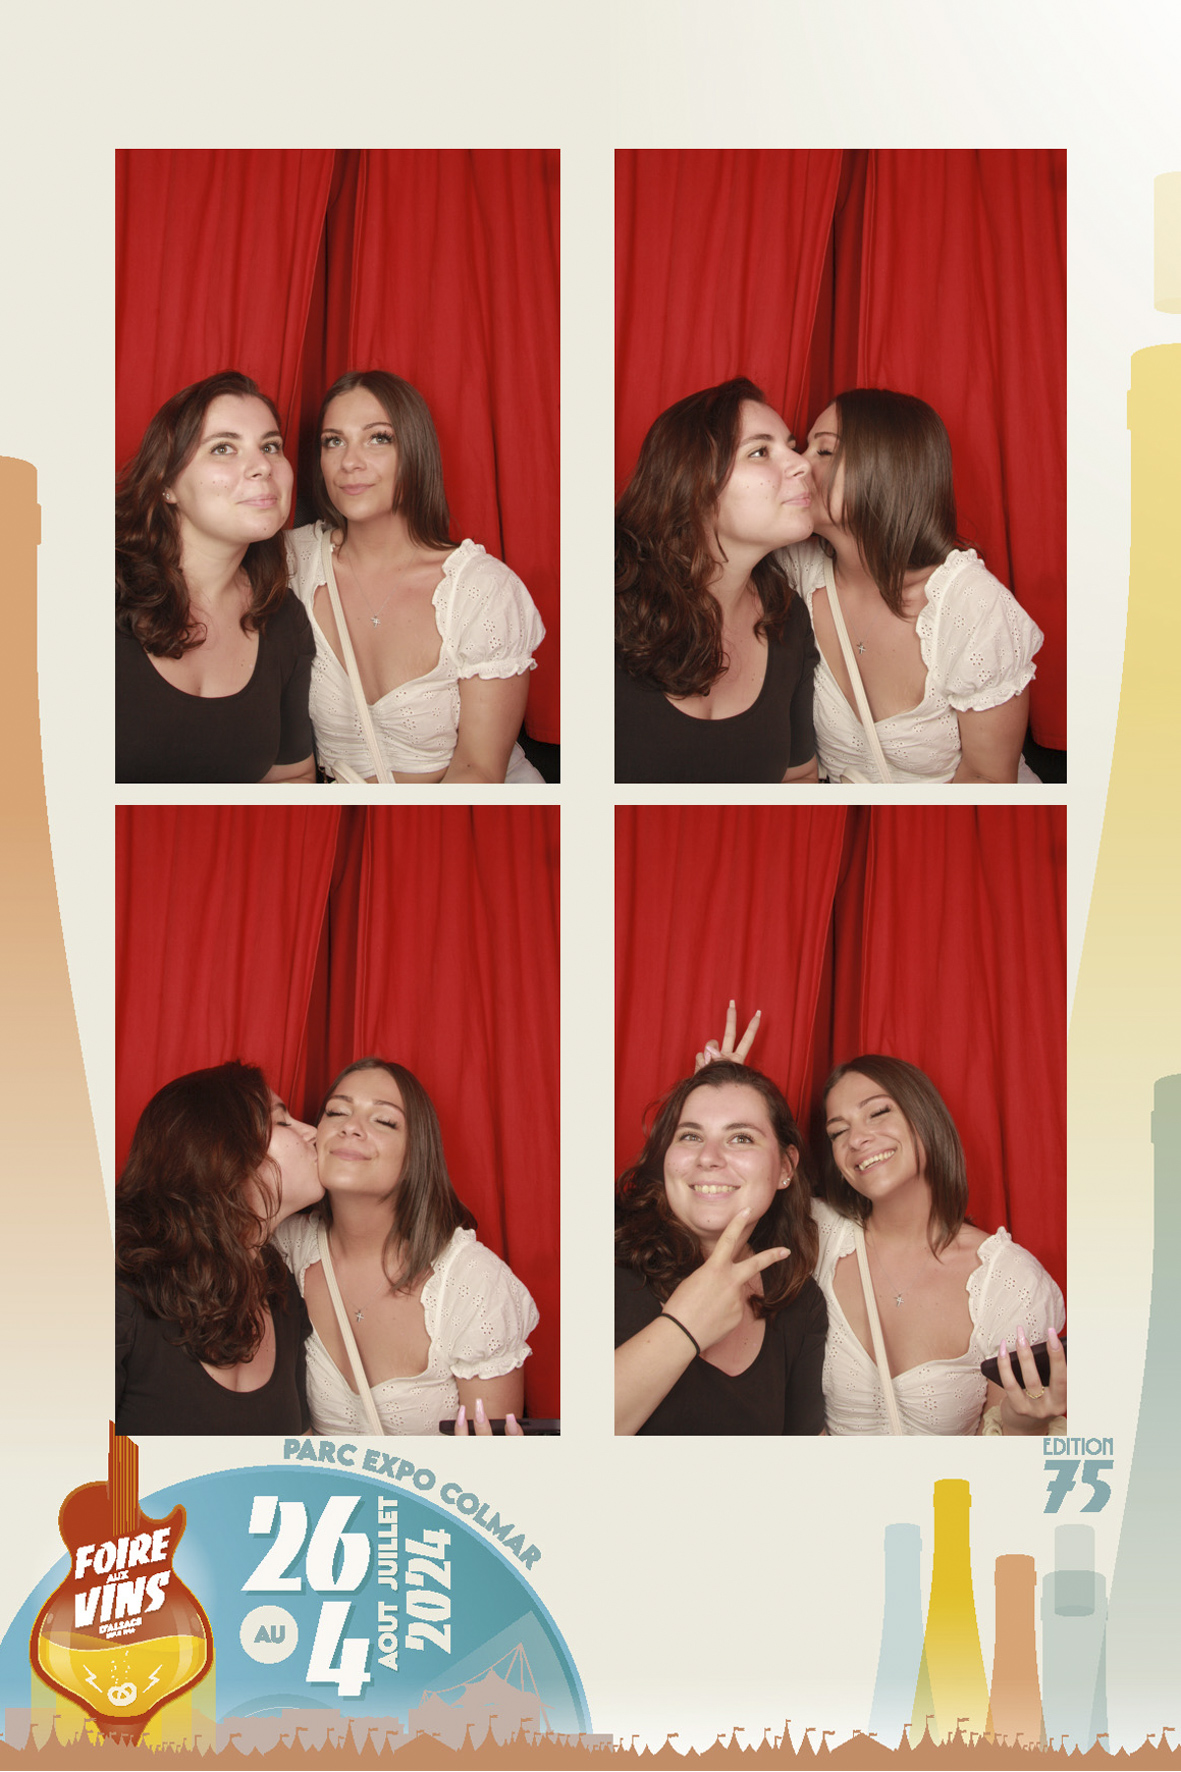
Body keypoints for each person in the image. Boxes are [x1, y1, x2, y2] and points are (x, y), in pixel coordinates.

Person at [697, 1008, 1066, 1435]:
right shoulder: (817, 1234)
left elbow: (1010, 1455)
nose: (857, 1139)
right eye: (838, 1131)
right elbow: (726, 1194)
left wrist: (1024, 1426)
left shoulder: (1010, 1282)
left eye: (878, 1113)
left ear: (924, 1118)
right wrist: (719, 1101)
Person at [285, 371, 545, 783]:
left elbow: (478, 770)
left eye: (378, 438)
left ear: (415, 451)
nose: (349, 462)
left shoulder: (482, 590)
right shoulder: (291, 563)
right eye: (333, 441)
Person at [783, 388, 1044, 783]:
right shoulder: (795, 570)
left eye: (824, 451)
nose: (798, 464)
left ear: (888, 469)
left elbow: (987, 780)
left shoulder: (973, 607)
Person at [272, 1058, 537, 1435]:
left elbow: (491, 1459)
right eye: (337, 1112)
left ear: (417, 1153)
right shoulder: (285, 1249)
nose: (351, 1126)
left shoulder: (474, 1284)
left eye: (384, 1120)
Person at [615, 377, 820, 784]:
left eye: (791, 446)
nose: (804, 464)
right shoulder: (606, 604)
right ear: (694, 484)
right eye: (760, 451)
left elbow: (798, 778)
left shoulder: (788, 617)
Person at [116, 371, 316, 783]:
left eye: (270, 446)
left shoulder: (284, 618)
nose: (262, 466)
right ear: (166, 483)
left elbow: (290, 778)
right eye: (223, 448)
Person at [614, 1060, 827, 1435]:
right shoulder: (607, 1264)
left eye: (741, 1138)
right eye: (690, 1136)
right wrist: (683, 1328)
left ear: (785, 1167)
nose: (708, 1157)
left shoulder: (799, 1301)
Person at [116, 1063, 323, 1435]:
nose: (313, 1132)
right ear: (223, 1153)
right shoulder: (118, 1297)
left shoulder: (280, 1286)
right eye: (282, 1121)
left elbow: (298, 1452)